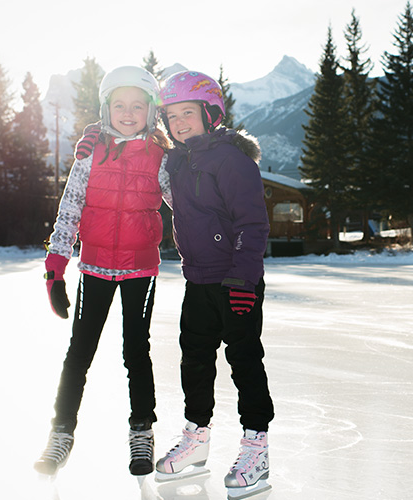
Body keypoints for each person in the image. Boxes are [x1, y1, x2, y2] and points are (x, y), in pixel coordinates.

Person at [34, 66, 170, 477]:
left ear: (150, 111)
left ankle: (141, 431)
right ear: (105, 108)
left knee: (137, 352)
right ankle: (60, 432)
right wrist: (55, 267)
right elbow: (70, 207)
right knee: (79, 352)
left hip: (139, 270)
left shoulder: (161, 158)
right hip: (93, 267)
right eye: (119, 105)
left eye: (137, 106)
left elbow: (185, 206)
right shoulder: (90, 153)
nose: (127, 113)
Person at [155, 71, 274, 498]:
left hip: (236, 280)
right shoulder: (176, 160)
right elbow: (137, 145)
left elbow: (253, 224)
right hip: (198, 278)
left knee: (245, 362)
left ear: (210, 113)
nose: (179, 123)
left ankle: (256, 447)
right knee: (195, 360)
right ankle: (196, 440)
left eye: (187, 113)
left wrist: (244, 278)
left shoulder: (232, 161)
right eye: (171, 116)